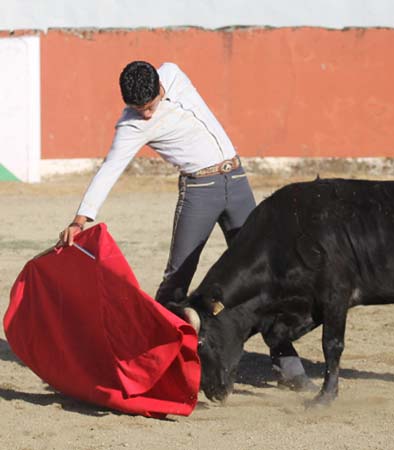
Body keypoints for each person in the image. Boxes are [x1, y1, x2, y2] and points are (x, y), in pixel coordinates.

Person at [57, 60, 315, 391]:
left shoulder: (174, 74)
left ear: (160, 88)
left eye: (149, 107)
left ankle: (288, 368)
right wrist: (81, 219)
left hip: (236, 182)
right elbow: (109, 169)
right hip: (199, 192)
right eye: (139, 110)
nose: (146, 115)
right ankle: (148, 362)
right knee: (177, 277)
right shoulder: (132, 125)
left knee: (260, 274)